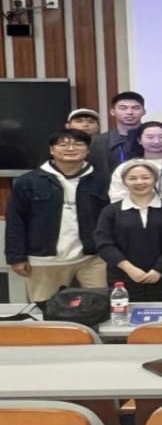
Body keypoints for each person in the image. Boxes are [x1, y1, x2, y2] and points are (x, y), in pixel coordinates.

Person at [4, 129, 108, 302]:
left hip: (91, 258)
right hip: (44, 260)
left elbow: (109, 220)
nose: (71, 148)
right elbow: (16, 221)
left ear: (87, 150)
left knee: (99, 306)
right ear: (52, 150)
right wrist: (16, 257)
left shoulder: (101, 181)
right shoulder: (28, 181)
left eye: (78, 144)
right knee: (47, 309)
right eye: (63, 144)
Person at [94, 160, 162, 302]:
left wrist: (158, 269)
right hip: (122, 277)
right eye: (132, 178)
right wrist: (129, 269)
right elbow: (104, 243)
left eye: (145, 177)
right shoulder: (111, 211)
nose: (139, 182)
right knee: (124, 313)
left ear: (155, 180)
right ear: (124, 181)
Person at [108, 121, 162, 204]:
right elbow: (117, 196)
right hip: (134, 211)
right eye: (150, 137)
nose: (156, 141)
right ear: (139, 140)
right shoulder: (126, 167)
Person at [89, 91, 145, 176]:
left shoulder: (154, 140)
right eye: (123, 108)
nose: (130, 112)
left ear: (144, 111)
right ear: (112, 112)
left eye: (136, 108)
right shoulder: (97, 142)